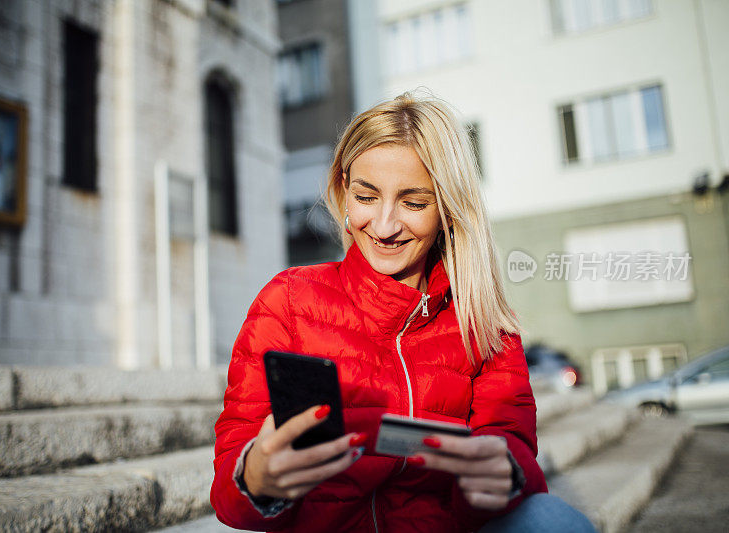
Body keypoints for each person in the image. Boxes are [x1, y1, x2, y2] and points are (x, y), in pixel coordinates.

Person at [210, 92, 596, 532]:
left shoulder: (484, 322)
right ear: (344, 191)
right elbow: (230, 490)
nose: (386, 225)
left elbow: (514, 447)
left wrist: (503, 472)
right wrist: (257, 475)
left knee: (552, 520)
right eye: (366, 196)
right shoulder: (288, 301)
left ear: (448, 210)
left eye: (414, 203)